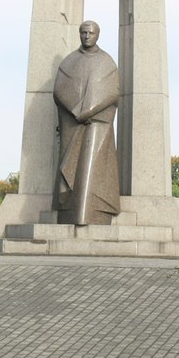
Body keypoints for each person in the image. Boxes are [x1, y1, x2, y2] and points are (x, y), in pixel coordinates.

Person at [52, 20, 120, 225]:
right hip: (72, 124)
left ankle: (92, 212)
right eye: (83, 32)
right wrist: (75, 111)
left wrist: (90, 110)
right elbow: (59, 90)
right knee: (70, 171)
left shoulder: (106, 61)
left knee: (91, 168)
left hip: (96, 123)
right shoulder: (69, 61)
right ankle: (69, 210)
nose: (87, 36)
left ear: (97, 35)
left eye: (90, 33)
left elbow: (112, 92)